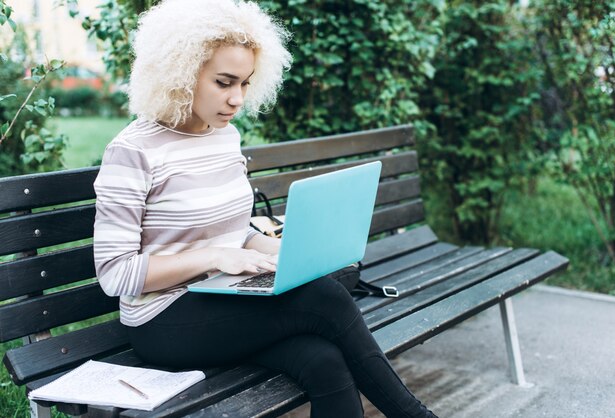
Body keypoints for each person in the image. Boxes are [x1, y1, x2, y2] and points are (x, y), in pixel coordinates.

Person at [93, 1, 437, 417]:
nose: (237, 98)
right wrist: (216, 257)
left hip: (225, 296)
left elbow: (235, 236)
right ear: (180, 73)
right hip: (162, 318)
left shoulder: (225, 137)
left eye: (245, 83)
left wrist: (290, 253)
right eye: (224, 82)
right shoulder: (133, 152)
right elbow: (115, 273)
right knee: (326, 300)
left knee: (323, 360)